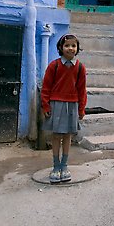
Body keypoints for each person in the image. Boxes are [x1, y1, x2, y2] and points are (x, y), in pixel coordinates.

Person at [41, 33, 87, 184]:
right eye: (67, 45)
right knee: (56, 135)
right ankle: (55, 167)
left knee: (67, 136)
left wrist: (81, 109)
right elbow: (46, 87)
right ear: (61, 48)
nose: (70, 48)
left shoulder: (80, 67)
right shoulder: (54, 66)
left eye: (73, 45)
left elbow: (82, 90)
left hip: (72, 105)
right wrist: (45, 105)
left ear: (77, 48)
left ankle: (64, 166)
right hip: (56, 104)